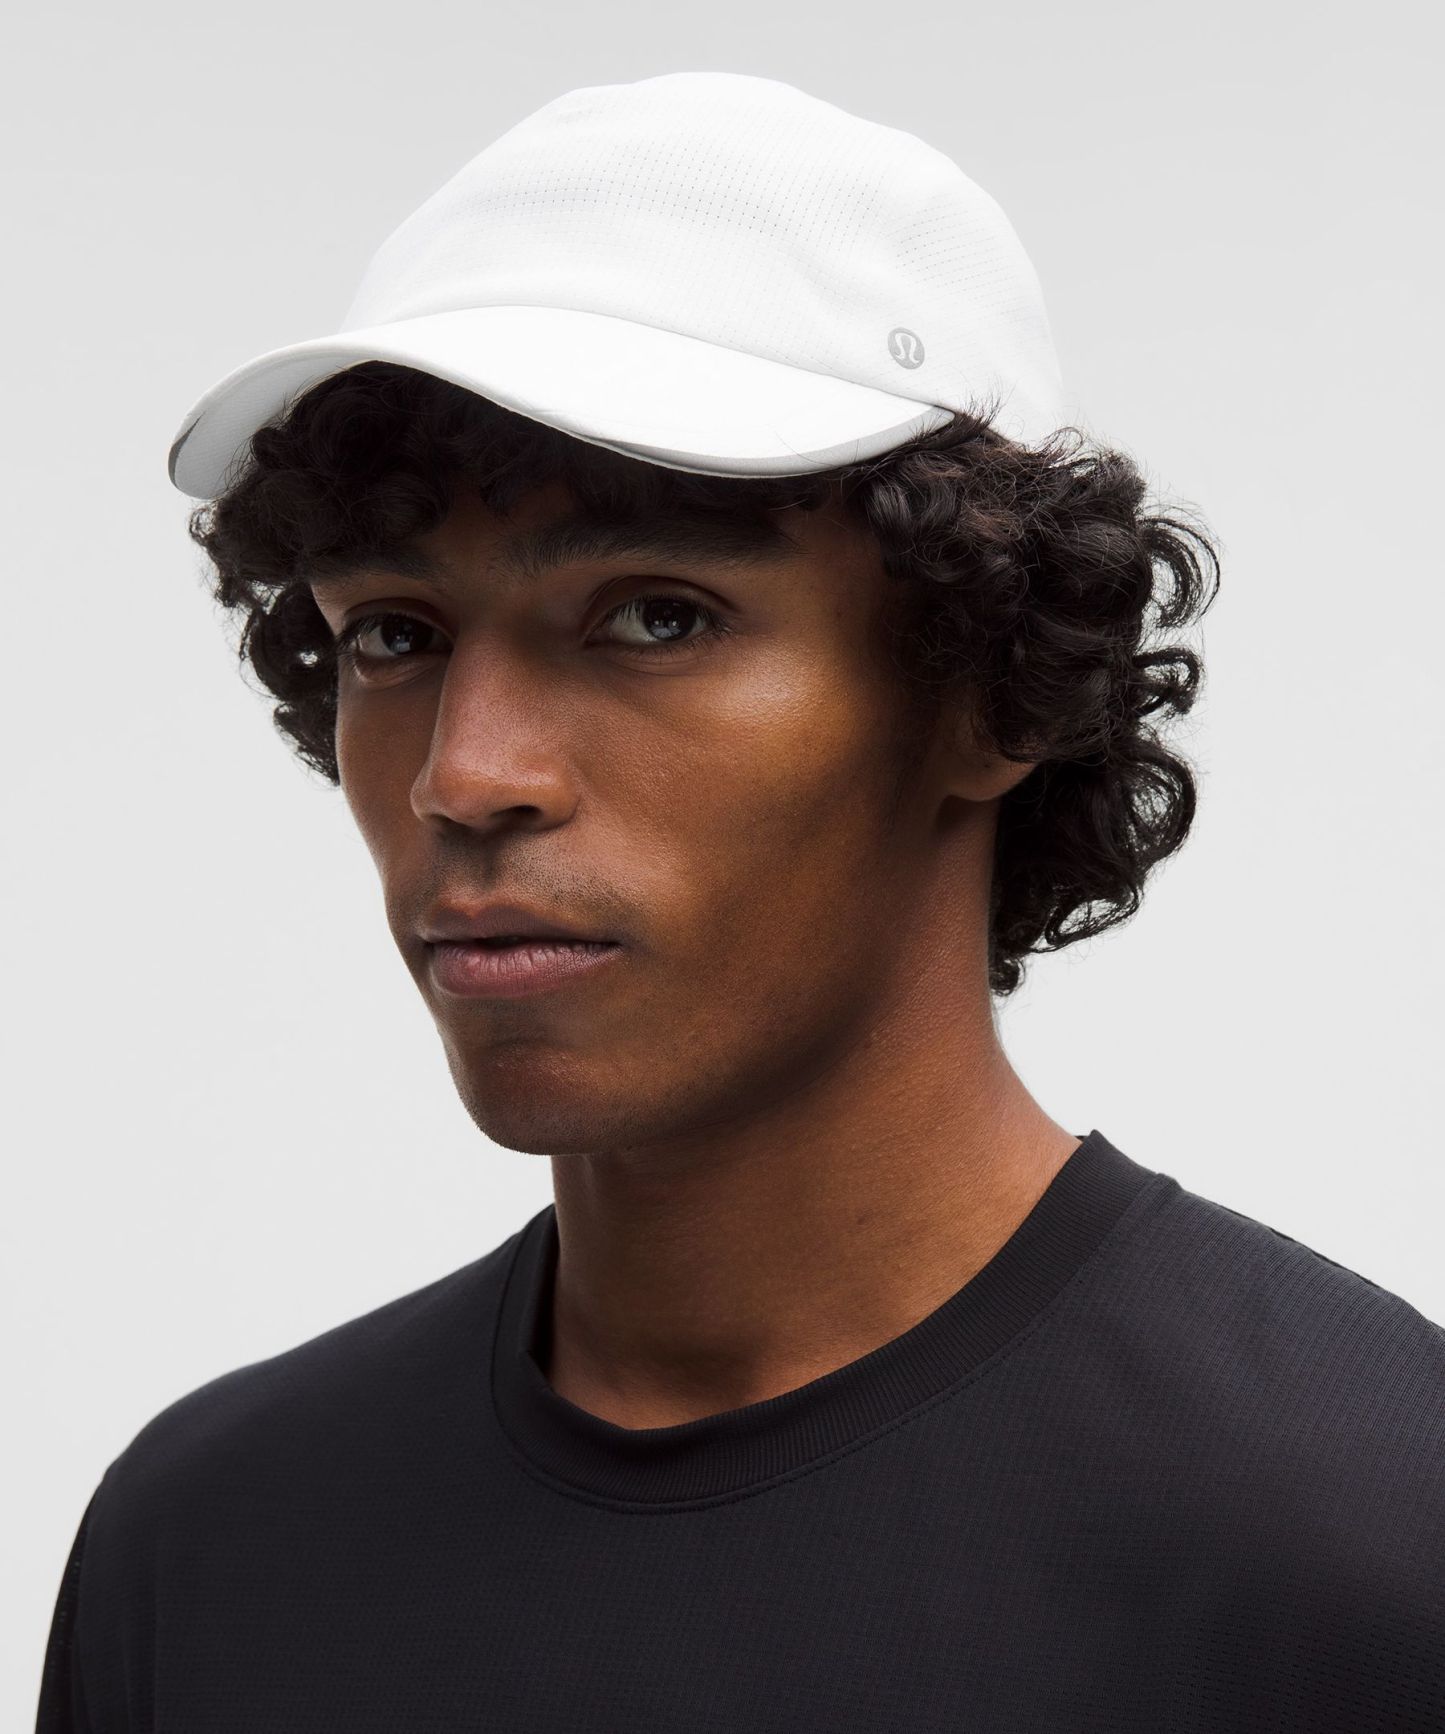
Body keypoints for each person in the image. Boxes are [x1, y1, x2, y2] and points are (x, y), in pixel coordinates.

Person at [36, 71, 1444, 1733]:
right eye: (394, 635)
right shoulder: (207, 1549)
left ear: (986, 689)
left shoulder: (1370, 1540)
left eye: (656, 617)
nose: (464, 774)